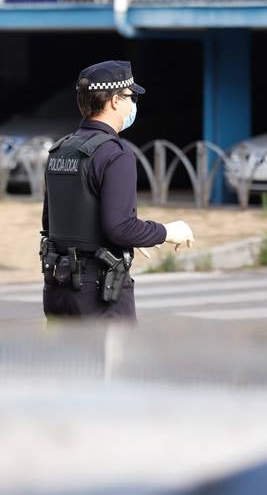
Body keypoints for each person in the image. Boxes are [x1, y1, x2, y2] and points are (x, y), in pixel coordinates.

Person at [40, 60, 195, 321]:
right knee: (112, 362)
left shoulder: (61, 149)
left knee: (68, 362)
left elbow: (52, 223)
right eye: (130, 97)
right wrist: (167, 232)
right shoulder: (115, 153)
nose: (133, 104)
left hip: (57, 289)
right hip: (99, 295)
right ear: (114, 101)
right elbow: (119, 227)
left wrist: (136, 234)